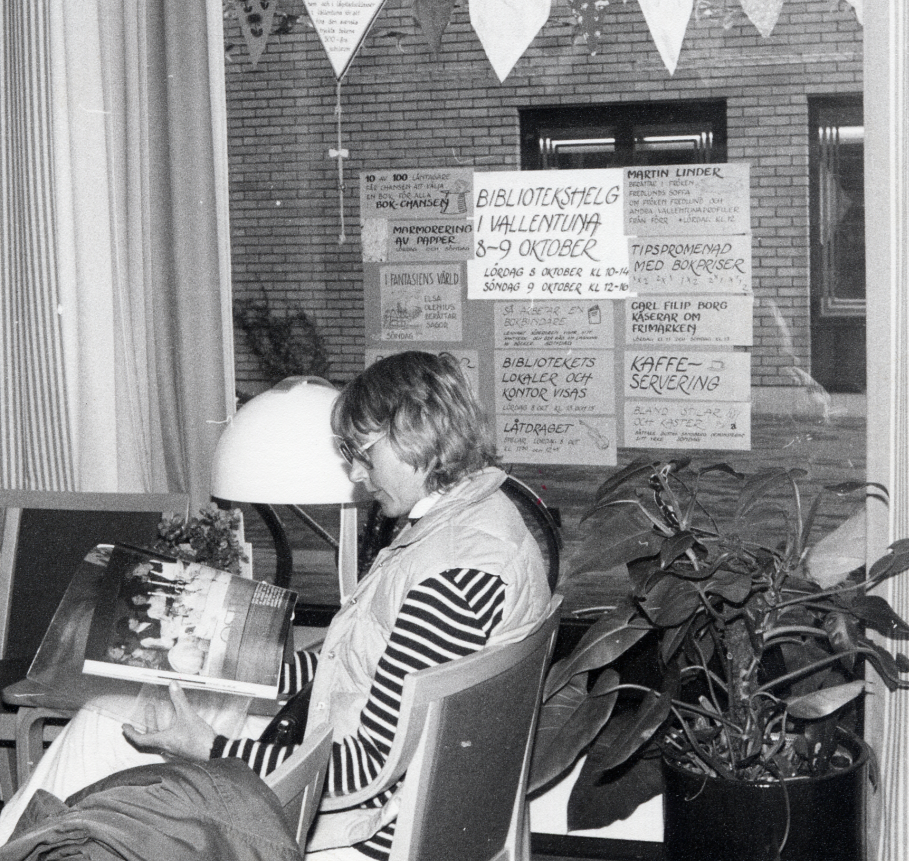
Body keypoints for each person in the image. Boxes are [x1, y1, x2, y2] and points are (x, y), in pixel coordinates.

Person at [0, 351, 551, 860]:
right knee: (107, 717)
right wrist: (238, 667)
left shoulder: (451, 578)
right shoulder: (477, 522)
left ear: (415, 435)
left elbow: (361, 770)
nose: (356, 476)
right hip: (372, 777)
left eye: (363, 454)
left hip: (361, 822)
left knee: (104, 739)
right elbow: (365, 655)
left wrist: (209, 747)